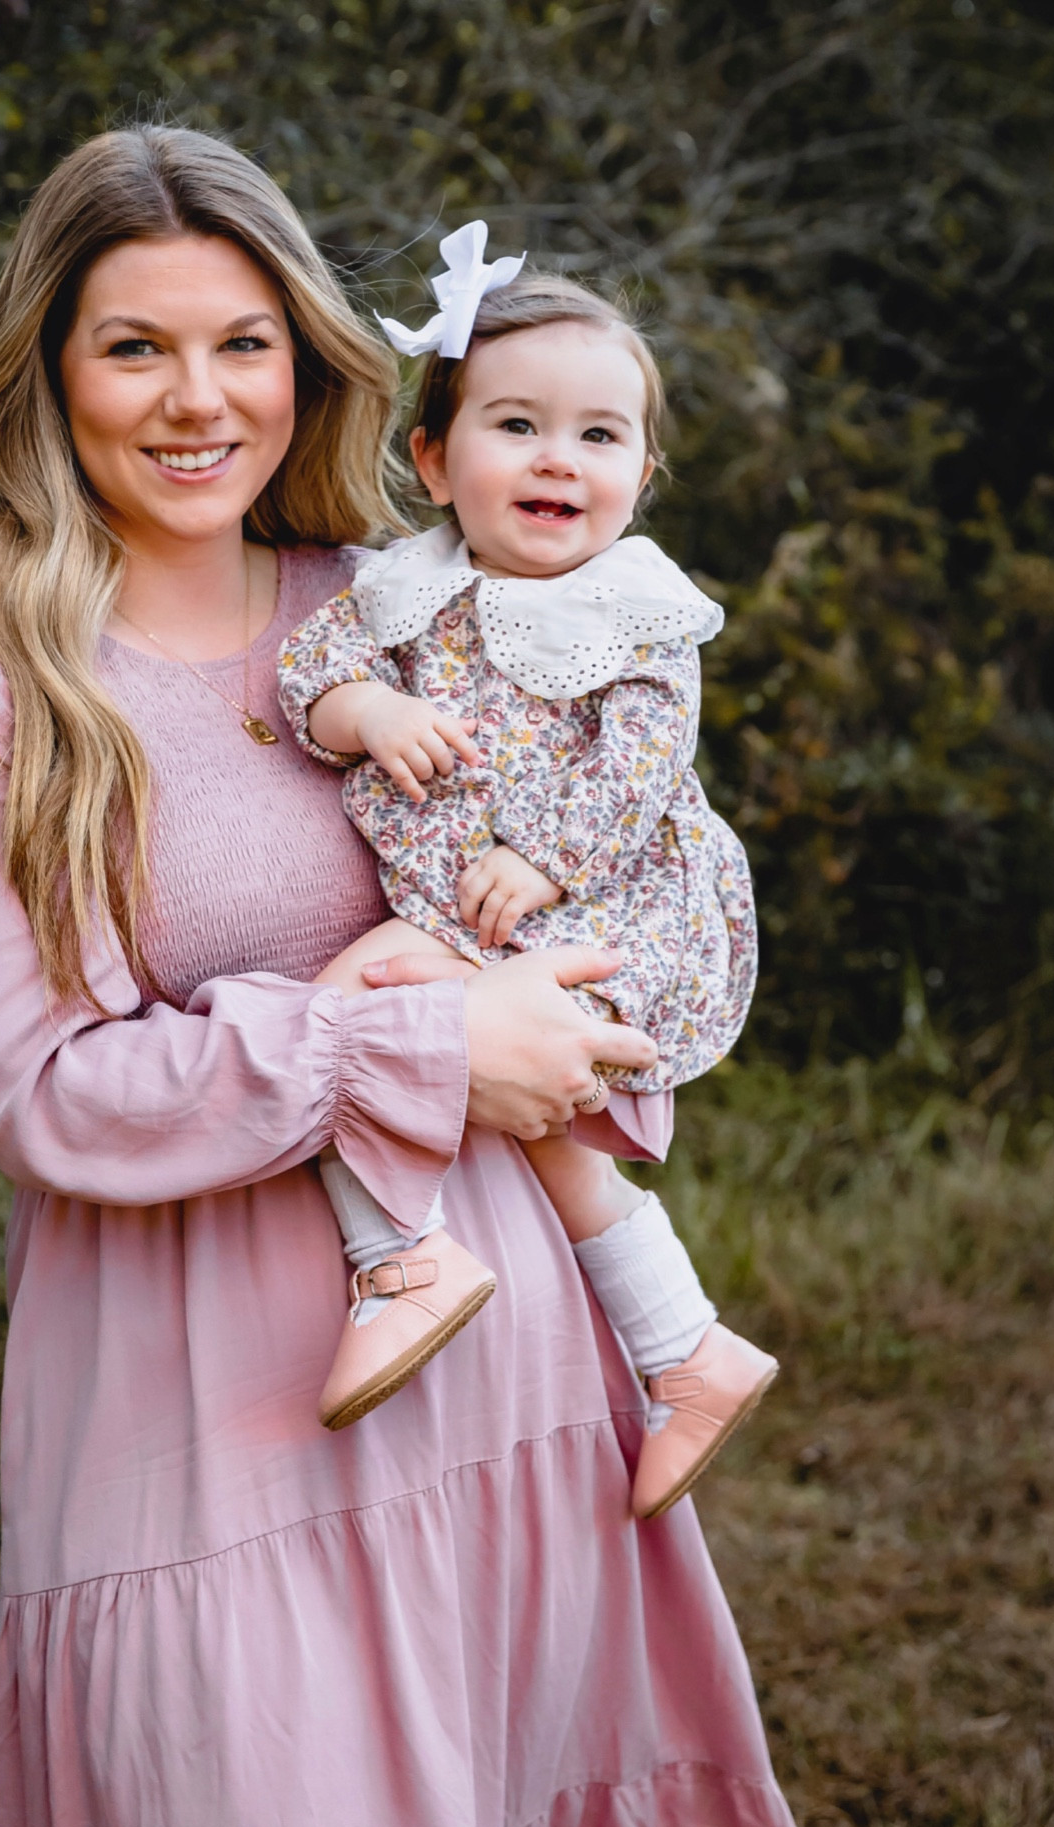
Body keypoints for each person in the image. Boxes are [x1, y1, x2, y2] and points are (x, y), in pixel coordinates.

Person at [0, 123, 800, 1827]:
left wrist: (560, 1007)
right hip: (203, 1417)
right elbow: (40, 1091)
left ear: (308, 360)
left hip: (508, 1368)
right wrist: (416, 1038)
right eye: (135, 346)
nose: (197, 398)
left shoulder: (403, 598)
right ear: (46, 372)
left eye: (244, 342)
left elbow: (634, 863)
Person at [277, 225, 777, 1520]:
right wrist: (370, 715)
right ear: (435, 460)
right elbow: (307, 676)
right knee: (533, 1129)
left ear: (641, 475)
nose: (560, 457)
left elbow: (645, 762)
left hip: (608, 906)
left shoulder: (634, 609)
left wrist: (541, 856)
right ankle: (685, 1347)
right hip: (477, 906)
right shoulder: (403, 587)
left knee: (349, 1003)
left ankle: (402, 1256)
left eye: (599, 435)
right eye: (517, 425)